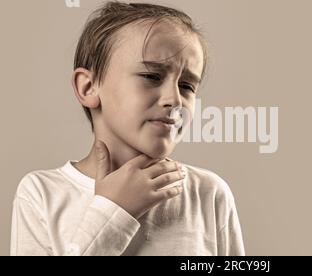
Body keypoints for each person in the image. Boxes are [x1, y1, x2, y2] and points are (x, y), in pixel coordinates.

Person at [10, 1, 245, 256]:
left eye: (187, 86)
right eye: (152, 76)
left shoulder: (208, 194)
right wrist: (113, 210)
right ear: (88, 87)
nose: (175, 100)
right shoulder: (41, 194)